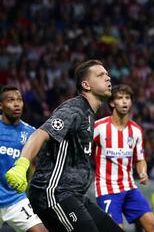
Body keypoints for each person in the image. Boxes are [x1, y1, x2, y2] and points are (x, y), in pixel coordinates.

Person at [4, 60, 122, 231]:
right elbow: (40, 134)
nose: (108, 77)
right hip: (54, 193)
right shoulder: (74, 109)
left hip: (75, 195)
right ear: (86, 85)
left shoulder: (89, 115)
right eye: (100, 75)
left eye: (107, 74)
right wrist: (22, 165)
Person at [93, 84, 154, 231]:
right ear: (112, 103)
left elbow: (140, 159)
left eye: (127, 98)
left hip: (129, 187)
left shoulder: (136, 130)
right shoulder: (99, 127)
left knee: (152, 224)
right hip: (106, 189)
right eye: (120, 98)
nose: (124, 102)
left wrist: (143, 172)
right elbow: (84, 150)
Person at [0, 86, 47, 232]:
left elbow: (34, 166)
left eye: (19, 100)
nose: (16, 104)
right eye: (11, 100)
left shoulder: (30, 133)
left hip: (15, 199)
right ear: (1, 105)